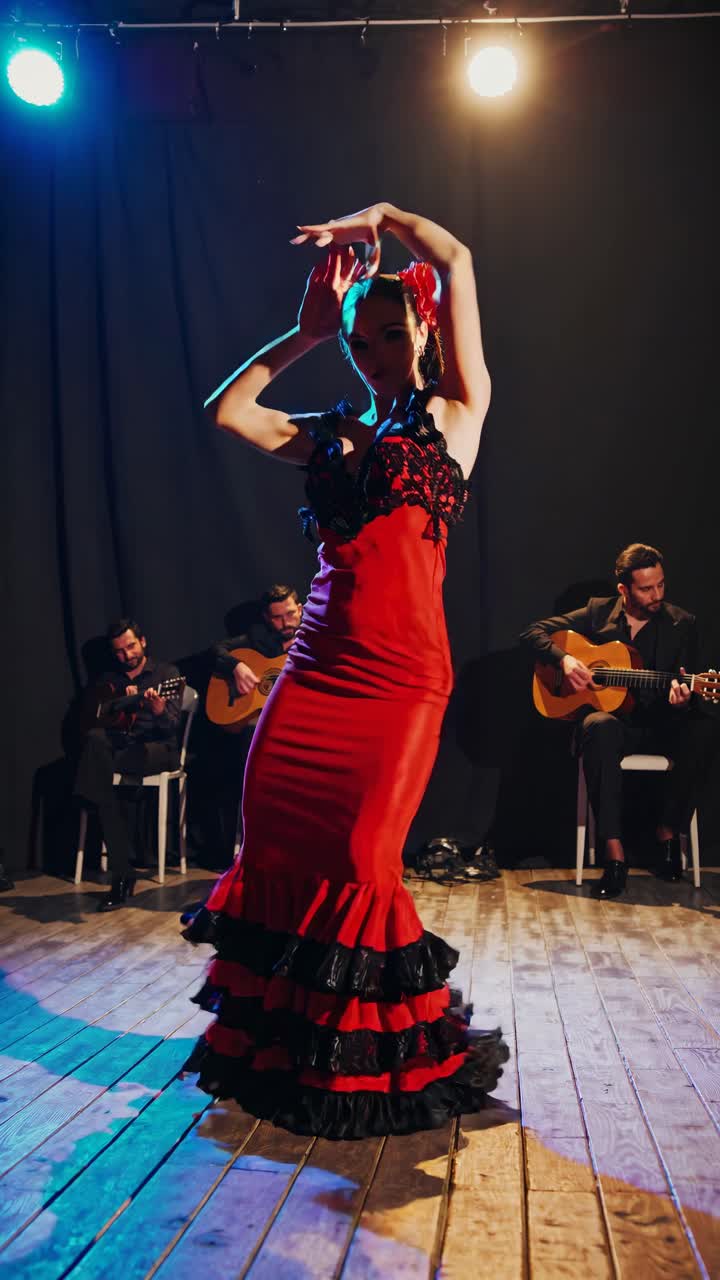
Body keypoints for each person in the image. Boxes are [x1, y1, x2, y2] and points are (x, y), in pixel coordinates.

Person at [182, 201, 508, 1139]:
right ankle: (283, 1048)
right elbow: (228, 412)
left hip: (401, 679)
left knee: (365, 861)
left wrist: (387, 217)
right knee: (276, 848)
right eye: (358, 340)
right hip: (314, 673)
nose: (373, 351)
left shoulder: (455, 413)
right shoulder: (327, 431)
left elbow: (457, 255)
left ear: (420, 329)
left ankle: (375, 1059)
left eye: (387, 333)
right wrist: (302, 334)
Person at [521, 543, 717, 899]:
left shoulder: (681, 623)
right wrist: (565, 660)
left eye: (660, 585)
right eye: (646, 588)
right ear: (624, 589)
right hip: (614, 729)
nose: (656, 594)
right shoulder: (598, 613)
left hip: (659, 726)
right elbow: (532, 633)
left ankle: (668, 832)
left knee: (703, 730)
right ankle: (614, 854)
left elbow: (686, 689)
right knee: (599, 725)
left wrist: (683, 700)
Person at [75, 619, 182, 911]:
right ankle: (123, 873)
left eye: (131, 646)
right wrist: (115, 708)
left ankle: (88, 796)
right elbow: (91, 720)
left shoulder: (165, 674)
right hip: (121, 749)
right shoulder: (108, 680)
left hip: (158, 749)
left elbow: (172, 726)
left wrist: (159, 711)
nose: (127, 655)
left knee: (99, 772)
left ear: (143, 641)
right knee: (97, 741)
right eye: (120, 651)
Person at [203, 585, 304, 862]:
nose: (286, 623)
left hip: (300, 729)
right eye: (277, 618)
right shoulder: (256, 640)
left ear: (301, 609)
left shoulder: (315, 639)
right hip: (261, 731)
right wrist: (235, 667)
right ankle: (256, 845)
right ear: (266, 618)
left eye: (291, 614)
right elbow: (216, 650)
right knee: (251, 745)